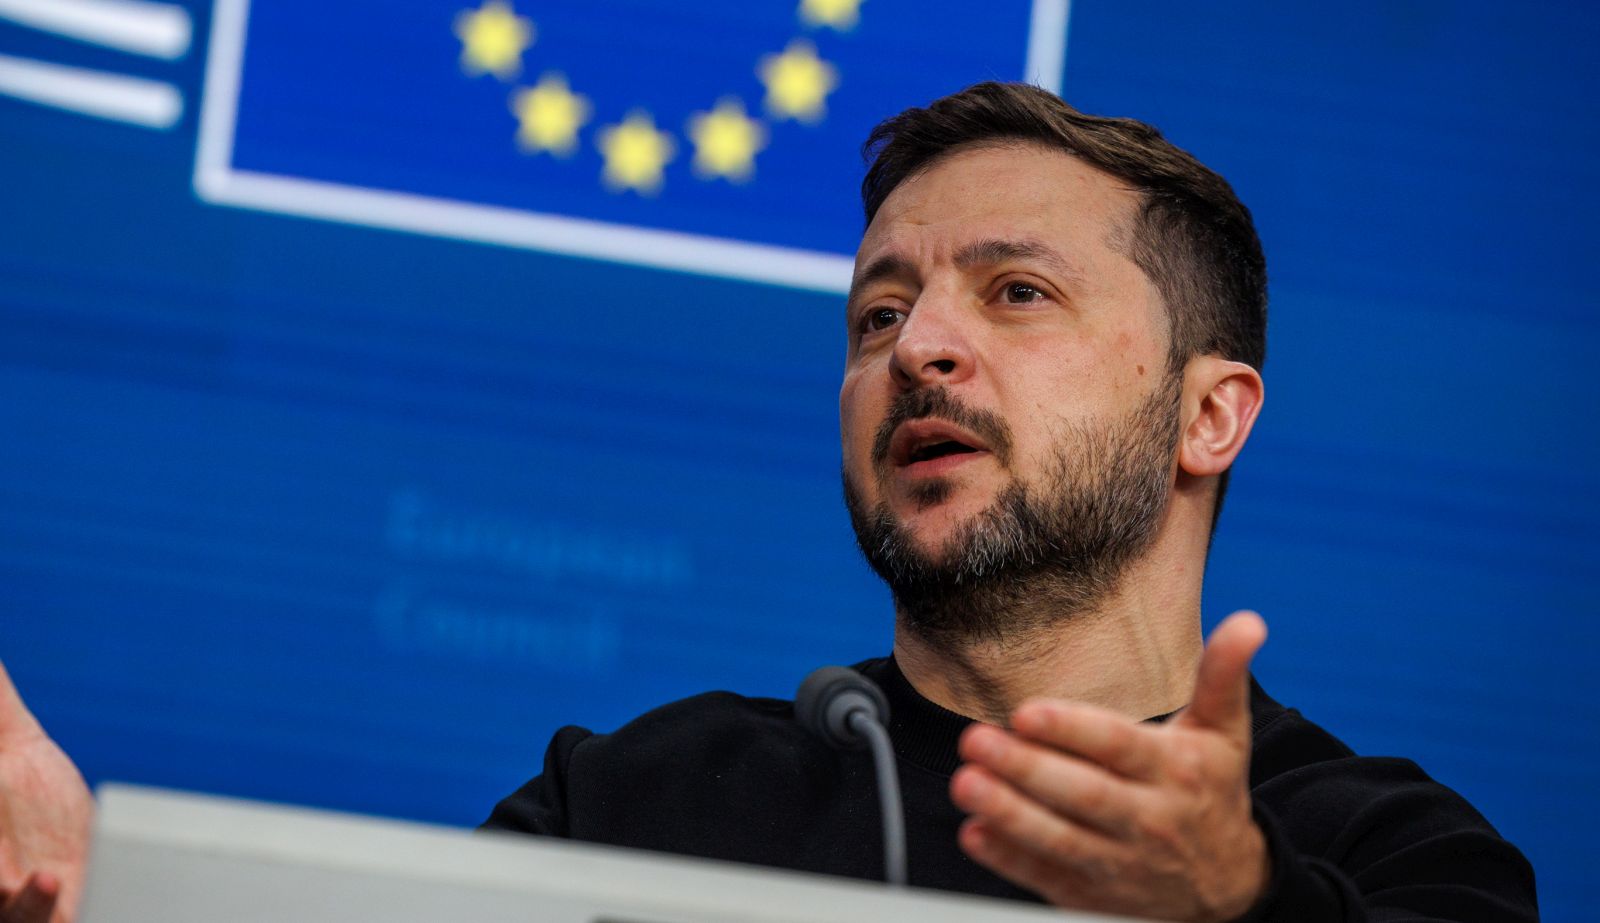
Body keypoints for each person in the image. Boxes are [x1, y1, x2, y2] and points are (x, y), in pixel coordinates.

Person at [0, 82, 1536, 923]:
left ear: (1212, 414)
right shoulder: (640, 800)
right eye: (879, 317)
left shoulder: (1393, 857)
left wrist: (1234, 915)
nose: (920, 345)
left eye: (1015, 293)